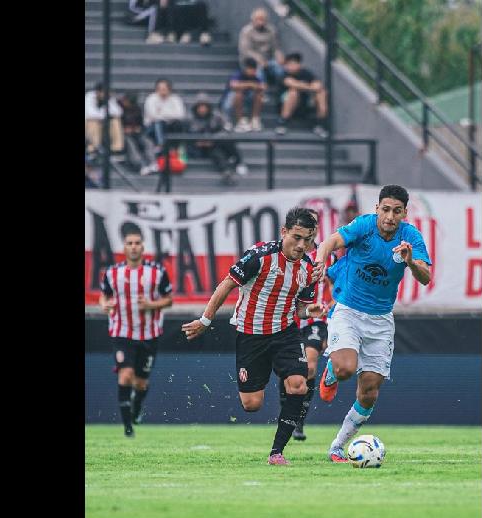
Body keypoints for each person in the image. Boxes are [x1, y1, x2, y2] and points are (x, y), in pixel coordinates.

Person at [181, 208, 326, 465]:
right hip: (251, 334)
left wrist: (309, 311)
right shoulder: (259, 256)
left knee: (298, 384)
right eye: (297, 237)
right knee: (251, 404)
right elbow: (227, 284)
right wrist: (205, 321)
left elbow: (300, 309)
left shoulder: (308, 268)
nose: (302, 245)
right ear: (284, 232)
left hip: (285, 332)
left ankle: (277, 452)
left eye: (308, 239)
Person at [313, 185, 432, 462]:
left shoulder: (410, 237)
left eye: (397, 211)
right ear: (377, 208)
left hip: (380, 321)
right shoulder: (364, 225)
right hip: (348, 311)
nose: (390, 216)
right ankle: (331, 370)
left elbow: (425, 277)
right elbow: (331, 241)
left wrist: (410, 261)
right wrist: (320, 260)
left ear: (404, 213)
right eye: (385, 209)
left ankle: (337, 446)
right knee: (345, 369)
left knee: (369, 392)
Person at [99, 224, 174, 437]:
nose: (133, 247)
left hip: (149, 334)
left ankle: (137, 407)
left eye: (137, 243)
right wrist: (104, 304)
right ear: (124, 247)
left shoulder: (157, 272)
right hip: (121, 332)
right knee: (125, 376)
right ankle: (128, 428)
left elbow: (169, 300)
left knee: (141, 383)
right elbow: (104, 296)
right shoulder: (113, 273)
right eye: (129, 243)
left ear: (143, 247)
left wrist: (151, 304)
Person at [290, 209, 337, 441]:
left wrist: (332, 311)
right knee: (290, 371)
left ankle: (298, 421)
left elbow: (340, 288)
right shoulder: (287, 253)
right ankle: (288, 414)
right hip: (288, 318)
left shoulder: (328, 256)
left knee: (309, 367)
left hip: (315, 320)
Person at [188, 92, 248, 185]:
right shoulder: (191, 120)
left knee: (221, 146)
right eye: (200, 107)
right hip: (200, 149)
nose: (202, 109)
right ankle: (234, 164)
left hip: (216, 144)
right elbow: (188, 137)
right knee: (215, 150)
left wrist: (213, 140)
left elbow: (226, 129)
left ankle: (229, 170)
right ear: (196, 108)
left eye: (204, 106)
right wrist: (200, 143)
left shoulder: (216, 116)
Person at [274, 53, 328, 138]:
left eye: (293, 64)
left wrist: (303, 86)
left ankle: (320, 124)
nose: (290, 67)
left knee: (321, 93)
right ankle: (282, 123)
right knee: (293, 92)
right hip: (285, 106)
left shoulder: (306, 73)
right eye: (288, 64)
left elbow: (318, 85)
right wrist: (308, 86)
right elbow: (291, 83)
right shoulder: (283, 74)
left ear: (299, 64)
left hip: (304, 105)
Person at [238, 8, 285, 88]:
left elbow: (276, 48)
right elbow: (246, 51)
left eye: (263, 19)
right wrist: (259, 59)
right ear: (253, 20)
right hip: (252, 62)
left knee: (281, 70)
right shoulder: (246, 31)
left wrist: (279, 56)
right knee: (259, 72)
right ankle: (262, 91)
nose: (260, 22)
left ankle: (281, 90)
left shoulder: (271, 30)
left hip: (269, 60)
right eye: (258, 19)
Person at [220, 57, 266, 132]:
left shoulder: (256, 76)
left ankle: (255, 120)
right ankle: (240, 122)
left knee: (259, 93)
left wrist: (254, 86)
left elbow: (263, 86)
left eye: (254, 69)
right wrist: (249, 84)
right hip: (230, 102)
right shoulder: (238, 74)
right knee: (238, 93)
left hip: (248, 99)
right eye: (250, 69)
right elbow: (233, 85)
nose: (252, 71)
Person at [119, 92, 159, 176]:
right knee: (130, 143)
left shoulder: (137, 109)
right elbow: (117, 124)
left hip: (136, 133)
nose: (125, 102)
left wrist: (136, 128)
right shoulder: (119, 109)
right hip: (123, 135)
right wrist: (124, 129)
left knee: (147, 141)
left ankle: (153, 163)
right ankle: (140, 165)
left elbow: (140, 124)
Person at [143, 78, 186, 156]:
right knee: (158, 123)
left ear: (169, 89)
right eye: (160, 89)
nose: (162, 91)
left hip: (171, 125)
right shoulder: (151, 99)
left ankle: (176, 148)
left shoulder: (176, 99)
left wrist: (162, 113)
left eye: (164, 89)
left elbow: (180, 115)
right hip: (152, 127)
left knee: (178, 124)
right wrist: (170, 114)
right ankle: (161, 146)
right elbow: (153, 116)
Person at [85, 82, 124, 157]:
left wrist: (108, 102)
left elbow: (119, 112)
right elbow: (90, 114)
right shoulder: (89, 97)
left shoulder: (109, 98)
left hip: (103, 123)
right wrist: (105, 114)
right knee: (93, 122)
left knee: (115, 121)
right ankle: (93, 150)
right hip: (89, 125)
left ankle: (116, 149)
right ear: (98, 92)